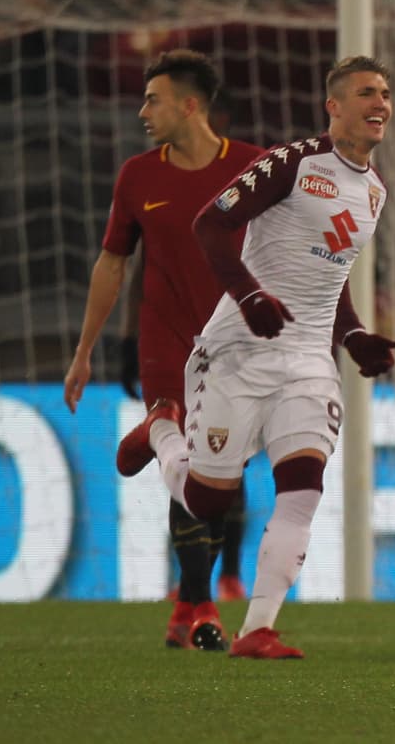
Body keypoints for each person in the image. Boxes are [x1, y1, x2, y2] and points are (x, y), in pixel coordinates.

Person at [113, 55, 395, 660]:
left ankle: (257, 629)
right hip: (236, 348)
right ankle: (163, 431)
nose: (380, 104)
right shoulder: (292, 164)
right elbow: (208, 226)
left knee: (303, 487)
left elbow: (332, 277)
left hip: (307, 361)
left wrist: (352, 338)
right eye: (366, 93)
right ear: (335, 107)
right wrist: (248, 296)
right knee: (211, 499)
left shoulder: (375, 191)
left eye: (385, 94)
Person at [64, 49, 262, 650]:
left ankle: (187, 600)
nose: (143, 110)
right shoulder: (137, 176)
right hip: (167, 343)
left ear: (190, 104)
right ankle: (204, 605)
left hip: (236, 346)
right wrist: (85, 349)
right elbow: (113, 263)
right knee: (195, 468)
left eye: (154, 98)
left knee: (223, 476)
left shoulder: (256, 170)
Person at [119, 250, 249, 603]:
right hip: (175, 341)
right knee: (192, 455)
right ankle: (197, 586)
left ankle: (227, 578)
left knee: (230, 457)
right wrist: (129, 338)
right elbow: (139, 265)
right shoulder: (152, 197)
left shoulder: (244, 199)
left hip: (233, 337)